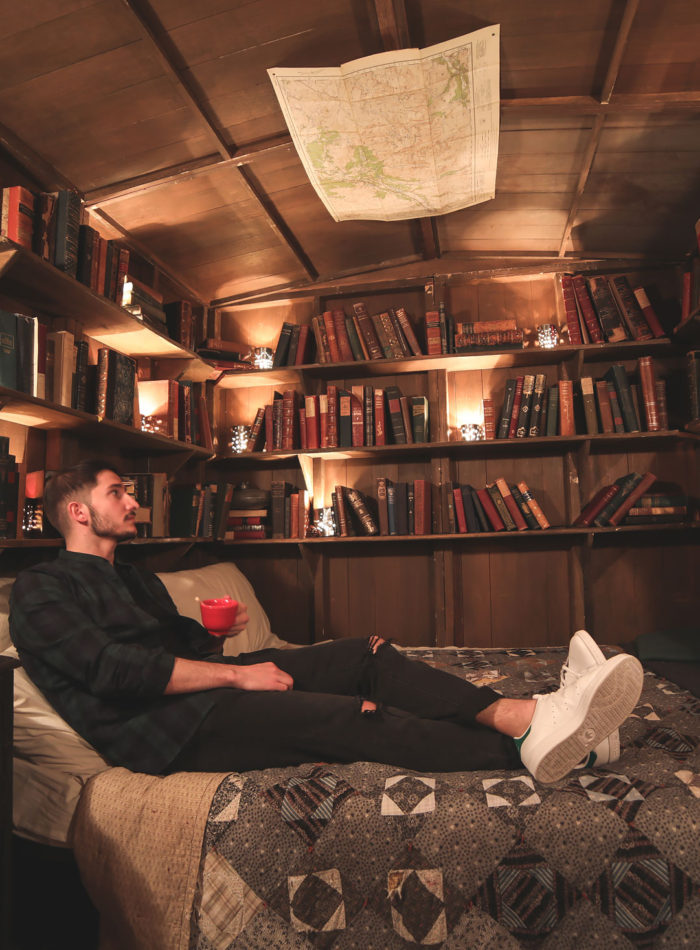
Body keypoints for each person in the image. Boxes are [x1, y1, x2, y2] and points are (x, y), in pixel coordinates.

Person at [9, 460, 644, 785]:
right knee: (354, 717)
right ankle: (562, 752)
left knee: (365, 656)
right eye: (118, 492)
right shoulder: (41, 591)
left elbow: (170, 647)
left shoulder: (134, 576)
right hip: (161, 732)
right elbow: (112, 670)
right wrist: (236, 678)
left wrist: (213, 642)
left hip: (203, 690)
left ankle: (529, 716)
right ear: (78, 511)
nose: (134, 501)